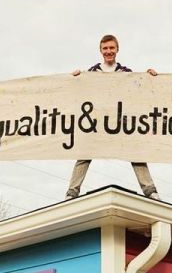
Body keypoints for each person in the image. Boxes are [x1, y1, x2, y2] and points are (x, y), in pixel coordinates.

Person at [65, 34, 160, 200]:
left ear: (117, 50)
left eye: (111, 48)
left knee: (135, 152)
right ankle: (72, 192)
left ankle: (150, 190)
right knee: (84, 153)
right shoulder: (92, 72)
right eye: (105, 48)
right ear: (101, 51)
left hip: (120, 122)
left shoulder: (125, 73)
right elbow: (79, 91)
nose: (108, 51)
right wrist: (75, 79)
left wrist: (149, 77)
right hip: (98, 122)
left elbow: (139, 88)